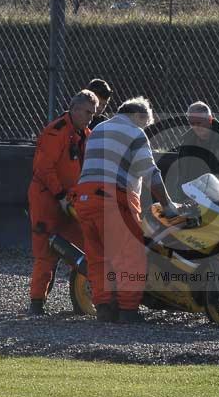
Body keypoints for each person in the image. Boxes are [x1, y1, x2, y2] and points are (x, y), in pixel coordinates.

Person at [73, 97, 181, 324]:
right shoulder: (134, 132)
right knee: (131, 255)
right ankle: (128, 312)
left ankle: (103, 309)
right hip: (113, 198)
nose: (146, 129)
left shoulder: (99, 129)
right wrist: (168, 206)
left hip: (84, 196)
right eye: (146, 124)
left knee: (98, 257)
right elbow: (151, 174)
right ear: (139, 117)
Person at [27, 90, 97, 315]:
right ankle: (37, 304)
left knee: (84, 244)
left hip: (69, 199)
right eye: (87, 112)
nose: (90, 117)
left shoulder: (85, 134)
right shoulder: (56, 131)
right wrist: (60, 197)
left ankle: (85, 297)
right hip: (47, 197)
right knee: (45, 250)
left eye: (93, 113)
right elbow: (43, 168)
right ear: (74, 109)